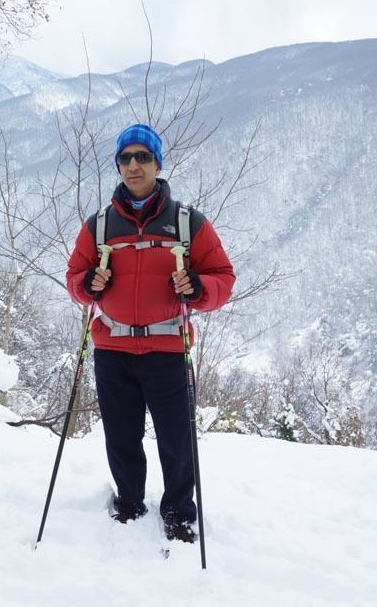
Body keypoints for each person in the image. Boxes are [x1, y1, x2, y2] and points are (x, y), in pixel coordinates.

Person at [65, 123, 235, 543]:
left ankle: (179, 511)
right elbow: (74, 277)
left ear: (158, 164)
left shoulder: (187, 223)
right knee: (121, 436)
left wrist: (198, 288)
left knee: (176, 439)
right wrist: (88, 285)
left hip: (166, 347)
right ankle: (128, 501)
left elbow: (223, 279)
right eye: (125, 158)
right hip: (112, 345)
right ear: (118, 166)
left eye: (142, 157)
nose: (133, 165)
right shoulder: (99, 227)